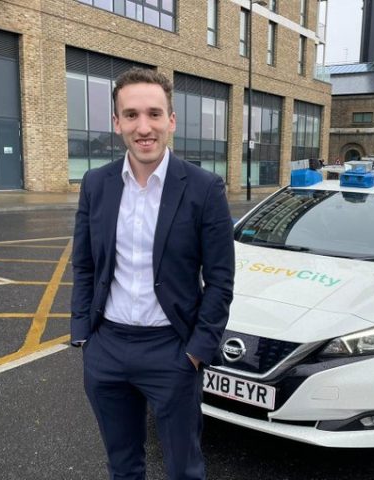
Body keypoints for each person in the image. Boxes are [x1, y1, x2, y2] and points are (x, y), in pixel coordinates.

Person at [70, 67, 235, 480]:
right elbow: (85, 263)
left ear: (171, 120)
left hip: (171, 350)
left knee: (184, 470)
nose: (143, 127)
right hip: (107, 347)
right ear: (117, 122)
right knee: (122, 466)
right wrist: (84, 334)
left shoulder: (203, 188)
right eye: (131, 115)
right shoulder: (96, 183)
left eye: (154, 114)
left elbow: (220, 280)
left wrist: (197, 351)